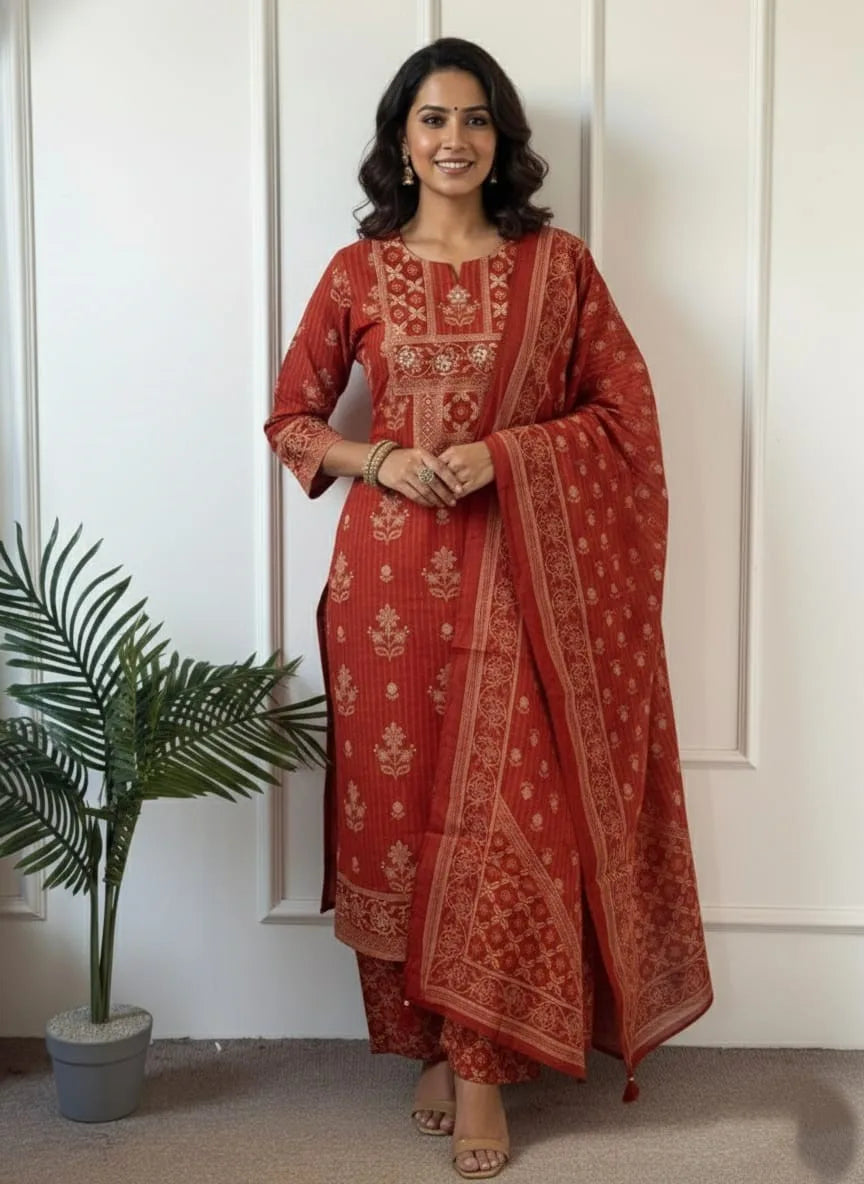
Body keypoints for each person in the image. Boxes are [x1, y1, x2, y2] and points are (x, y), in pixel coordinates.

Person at [264, 37, 713, 1180]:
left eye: (475, 120)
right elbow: (292, 420)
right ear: (400, 141)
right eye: (431, 119)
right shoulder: (356, 275)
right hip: (386, 592)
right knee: (400, 816)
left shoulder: (558, 268)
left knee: (506, 819)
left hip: (519, 582)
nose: (454, 139)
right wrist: (378, 462)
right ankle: (424, 1031)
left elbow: (625, 421)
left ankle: (480, 1066)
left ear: (500, 140)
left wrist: (504, 454)